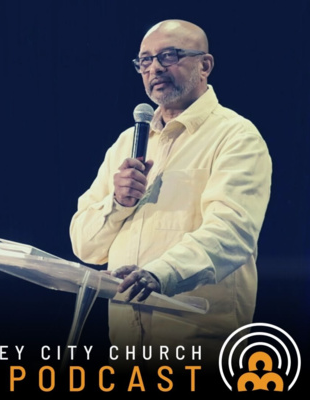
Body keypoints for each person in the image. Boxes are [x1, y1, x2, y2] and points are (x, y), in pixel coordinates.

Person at [69, 19, 272, 377]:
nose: (155, 68)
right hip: (126, 349)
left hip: (199, 349)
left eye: (169, 56)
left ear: (205, 65)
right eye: (145, 60)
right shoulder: (126, 142)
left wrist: (160, 273)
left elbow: (232, 233)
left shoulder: (236, 136)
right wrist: (119, 204)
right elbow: (84, 246)